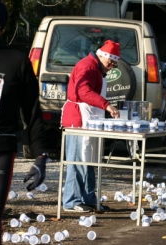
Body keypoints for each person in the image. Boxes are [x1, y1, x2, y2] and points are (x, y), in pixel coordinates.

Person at [0, 2, 48, 245]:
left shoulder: (16, 61)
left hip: (1, 148)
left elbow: (32, 112)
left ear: (1, 27)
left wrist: (40, 156)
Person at [61, 40, 120, 212]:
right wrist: (106, 105)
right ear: (102, 57)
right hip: (79, 119)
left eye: (114, 64)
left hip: (90, 118)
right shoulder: (87, 67)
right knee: (77, 160)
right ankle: (72, 200)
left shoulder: (96, 67)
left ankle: (88, 198)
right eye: (110, 63)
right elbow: (83, 91)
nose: (111, 67)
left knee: (89, 160)